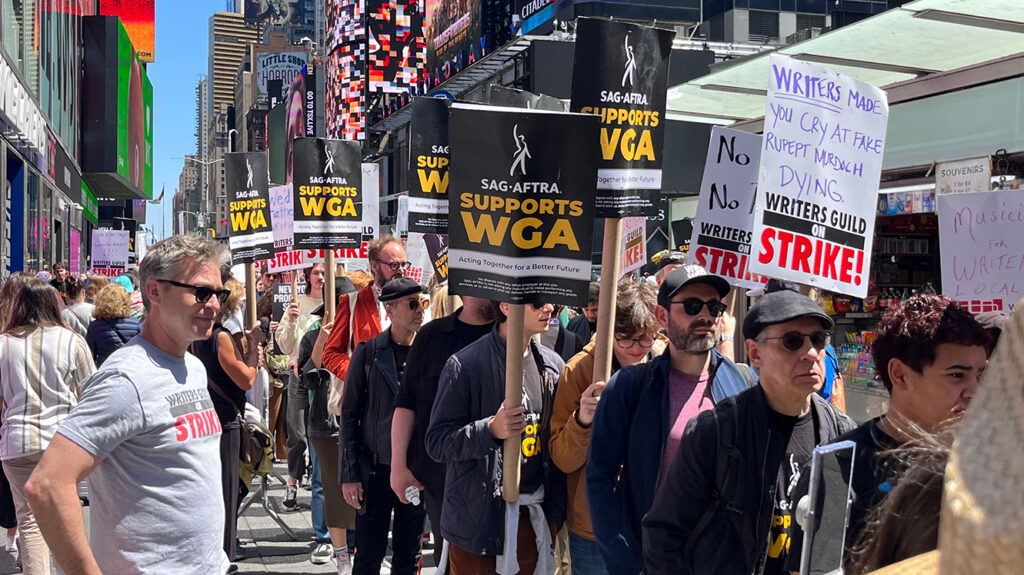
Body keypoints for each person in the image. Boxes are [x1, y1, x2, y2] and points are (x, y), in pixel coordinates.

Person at [25, 234, 232, 574]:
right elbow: (47, 485)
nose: (213, 304)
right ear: (154, 292)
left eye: (218, 294)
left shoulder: (193, 366)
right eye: (200, 292)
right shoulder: (126, 379)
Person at [642, 288, 857, 575]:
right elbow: (663, 537)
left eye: (818, 340)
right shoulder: (715, 433)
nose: (811, 353)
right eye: (792, 341)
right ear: (755, 353)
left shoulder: (841, 434)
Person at [785, 294, 989, 573]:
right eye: (957, 375)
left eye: (979, 376)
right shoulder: (838, 470)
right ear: (900, 375)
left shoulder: (987, 464)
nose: (973, 391)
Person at [586, 265, 755, 575]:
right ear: (662, 317)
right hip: (655, 563)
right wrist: (625, 561)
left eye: (714, 306)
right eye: (692, 306)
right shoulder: (630, 386)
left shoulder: (743, 381)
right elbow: (600, 479)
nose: (706, 315)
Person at [426, 300, 567, 574]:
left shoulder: (553, 366)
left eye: (554, 303)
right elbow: (437, 442)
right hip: (478, 526)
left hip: (532, 520)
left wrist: (555, 516)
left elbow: (556, 446)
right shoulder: (464, 365)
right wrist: (489, 430)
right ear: (506, 306)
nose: (548, 308)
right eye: (537, 302)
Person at [549, 279, 664, 575]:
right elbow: (562, 458)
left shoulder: (666, 363)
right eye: (627, 339)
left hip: (656, 518)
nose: (638, 348)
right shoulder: (579, 370)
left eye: (646, 338)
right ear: (609, 331)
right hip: (596, 525)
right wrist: (582, 421)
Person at [390, 295, 495, 565]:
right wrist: (398, 466)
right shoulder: (431, 336)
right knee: (449, 562)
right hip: (441, 477)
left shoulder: (510, 339)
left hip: (496, 478)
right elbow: (406, 403)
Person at [0, 277, 95, 575]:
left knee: (29, 522)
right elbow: (91, 391)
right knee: (66, 519)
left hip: (16, 443)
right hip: (61, 443)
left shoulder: (3, 343)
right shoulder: (71, 341)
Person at [342, 277, 428, 575]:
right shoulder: (368, 353)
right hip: (376, 471)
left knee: (409, 553)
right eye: (413, 304)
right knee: (368, 554)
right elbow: (349, 416)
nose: (421, 311)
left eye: (423, 303)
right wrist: (350, 475)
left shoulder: (428, 354)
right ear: (389, 309)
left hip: (415, 470)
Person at [188, 277, 263, 564]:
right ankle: (225, 553)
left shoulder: (195, 335)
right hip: (224, 421)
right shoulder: (218, 337)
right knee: (227, 491)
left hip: (205, 416)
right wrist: (254, 350)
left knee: (214, 490)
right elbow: (245, 379)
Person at [301, 278, 360, 575]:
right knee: (328, 488)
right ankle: (337, 553)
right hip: (326, 424)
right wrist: (323, 344)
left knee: (359, 489)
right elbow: (308, 380)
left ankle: (356, 547)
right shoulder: (312, 336)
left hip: (360, 423)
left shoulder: (363, 331)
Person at [322, 236, 408, 382]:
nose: (401, 270)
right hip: (369, 397)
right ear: (374, 266)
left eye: (404, 264)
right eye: (394, 265)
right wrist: (358, 374)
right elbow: (331, 353)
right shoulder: (352, 303)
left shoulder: (418, 302)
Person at [275, 263, 326, 510]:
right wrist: (292, 321)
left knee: (321, 431)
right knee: (296, 431)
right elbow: (284, 345)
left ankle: (319, 481)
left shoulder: (335, 305)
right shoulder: (297, 304)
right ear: (307, 276)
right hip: (297, 374)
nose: (321, 277)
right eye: (316, 273)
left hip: (322, 376)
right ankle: (293, 479)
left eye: (325, 273)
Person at [85, 284, 143, 366]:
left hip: (105, 369)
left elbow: (90, 356)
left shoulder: (95, 327)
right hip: (130, 368)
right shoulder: (136, 324)